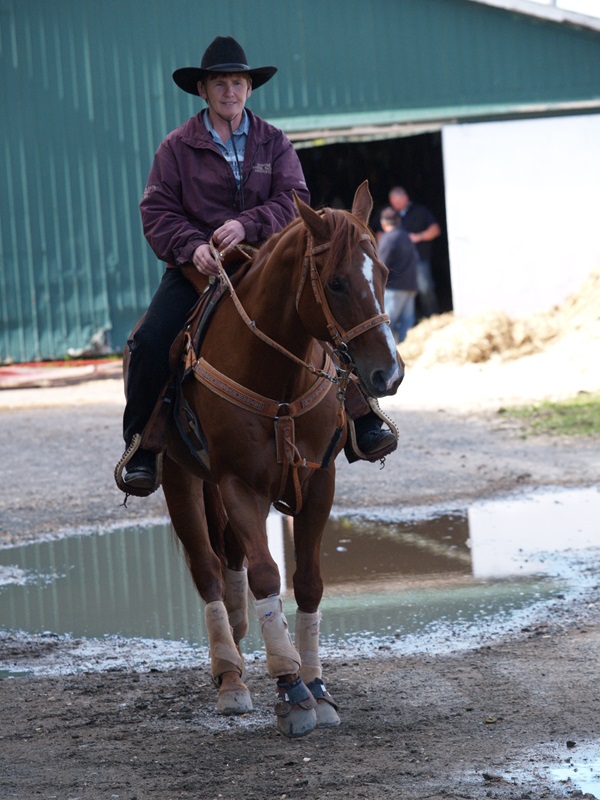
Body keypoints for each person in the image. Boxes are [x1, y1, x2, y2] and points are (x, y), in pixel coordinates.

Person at [119, 36, 394, 493]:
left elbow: (296, 203)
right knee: (150, 342)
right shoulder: (175, 149)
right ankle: (142, 447)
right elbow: (157, 212)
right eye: (220, 84)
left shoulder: (273, 142)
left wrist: (248, 225)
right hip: (199, 271)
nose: (230, 91)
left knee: (327, 319)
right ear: (203, 90)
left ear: (249, 89)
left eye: (238, 83)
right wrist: (191, 246)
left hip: (268, 264)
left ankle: (363, 419)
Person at [388, 186, 441, 317]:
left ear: (405, 198)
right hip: (398, 263)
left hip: (419, 259)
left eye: (397, 202)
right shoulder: (390, 215)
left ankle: (432, 317)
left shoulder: (420, 211)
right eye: (393, 203)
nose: (395, 206)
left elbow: (436, 230)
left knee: (425, 289)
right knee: (403, 293)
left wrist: (418, 237)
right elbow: (379, 234)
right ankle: (411, 321)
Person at [377, 208, 419, 343]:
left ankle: (390, 354)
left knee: (388, 323)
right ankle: (405, 349)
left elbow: (381, 265)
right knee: (407, 322)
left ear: (383, 223)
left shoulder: (388, 238)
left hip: (394, 287)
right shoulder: (406, 235)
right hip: (410, 285)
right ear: (398, 221)